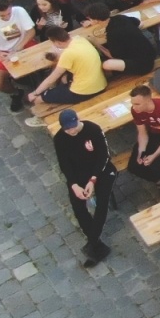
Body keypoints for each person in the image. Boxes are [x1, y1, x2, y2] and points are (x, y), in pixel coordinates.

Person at [52, 109, 113, 268]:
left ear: (77, 120)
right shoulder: (60, 139)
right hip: (79, 174)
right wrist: (73, 184)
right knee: (78, 207)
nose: (71, 131)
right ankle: (97, 246)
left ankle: (92, 243)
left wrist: (93, 179)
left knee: (102, 202)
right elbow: (64, 164)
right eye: (67, 129)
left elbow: (104, 156)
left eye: (73, 127)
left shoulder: (93, 129)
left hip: (101, 170)